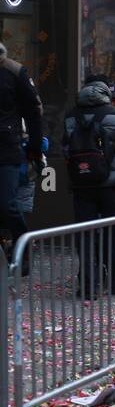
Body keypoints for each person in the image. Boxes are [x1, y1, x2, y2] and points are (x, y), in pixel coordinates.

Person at [64, 76, 115, 297]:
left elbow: (65, 148)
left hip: (81, 185)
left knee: (85, 235)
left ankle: (89, 286)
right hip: (111, 184)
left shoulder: (70, 116)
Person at [0, 42, 42, 258]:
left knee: (7, 204)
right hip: (9, 144)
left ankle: (23, 247)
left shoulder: (14, 71)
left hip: (7, 149)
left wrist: (34, 148)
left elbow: (34, 111)